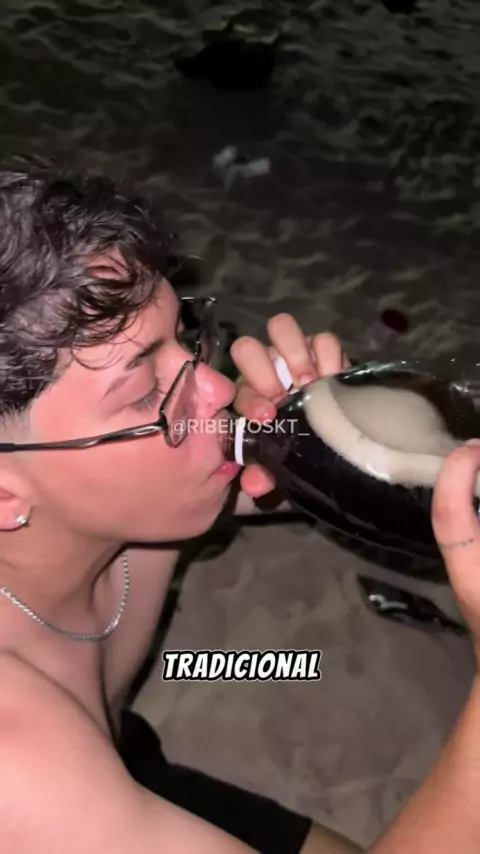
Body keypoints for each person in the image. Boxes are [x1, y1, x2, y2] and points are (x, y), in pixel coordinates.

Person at [0, 160, 479, 854]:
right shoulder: (20, 768)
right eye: (146, 393)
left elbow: (263, 482)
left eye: (185, 337)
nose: (217, 390)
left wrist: (314, 444)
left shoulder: (123, 496)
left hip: (128, 763)